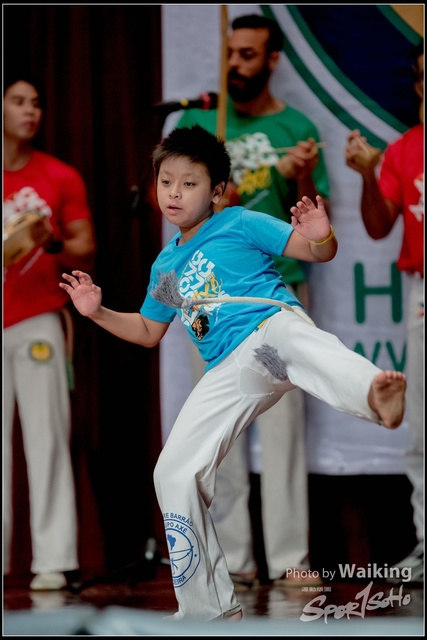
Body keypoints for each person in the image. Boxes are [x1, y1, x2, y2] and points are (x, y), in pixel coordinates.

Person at [60, 124, 406, 621]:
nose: (174, 193)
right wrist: (96, 311)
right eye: (166, 182)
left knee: (299, 342)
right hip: (230, 370)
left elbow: (318, 252)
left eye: (189, 183)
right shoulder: (165, 267)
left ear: (217, 190)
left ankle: (374, 395)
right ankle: (208, 609)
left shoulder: (241, 222)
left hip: (268, 331)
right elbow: (146, 331)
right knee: (172, 471)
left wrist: (321, 235)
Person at [175, 12, 329, 587]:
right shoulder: (197, 122)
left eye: (248, 55)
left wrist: (303, 177)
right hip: (205, 291)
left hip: (272, 288)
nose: (236, 64)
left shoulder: (296, 126)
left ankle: (292, 559)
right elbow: (179, 206)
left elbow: (313, 220)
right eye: (230, 53)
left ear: (271, 61)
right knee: (219, 422)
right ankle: (233, 558)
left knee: (284, 421)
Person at [3, 72, 97, 590]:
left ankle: (53, 560)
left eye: (35, 102)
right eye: (18, 101)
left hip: (38, 313)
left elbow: (87, 243)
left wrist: (53, 240)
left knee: (46, 435)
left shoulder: (58, 176)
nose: (30, 111)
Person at [344, 43, 424, 585]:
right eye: (423, 77)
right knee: (421, 429)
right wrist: (369, 176)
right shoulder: (404, 149)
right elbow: (378, 226)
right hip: (424, 296)